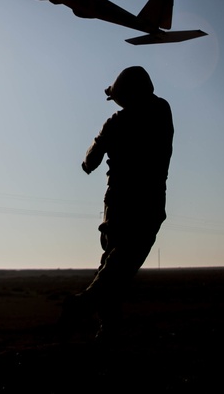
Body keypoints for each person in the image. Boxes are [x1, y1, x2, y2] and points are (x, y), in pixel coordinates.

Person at [64, 66, 174, 338]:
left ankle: (92, 308)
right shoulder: (161, 111)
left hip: (119, 206)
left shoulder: (116, 123)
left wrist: (91, 156)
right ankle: (105, 326)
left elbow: (90, 160)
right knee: (119, 266)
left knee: (115, 264)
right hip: (148, 203)